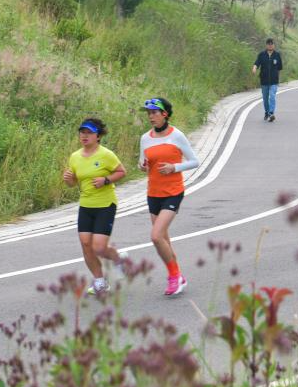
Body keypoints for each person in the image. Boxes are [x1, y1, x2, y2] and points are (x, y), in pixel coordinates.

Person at [140, 97, 199, 297]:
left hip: (173, 191)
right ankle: (178, 276)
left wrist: (175, 167)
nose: (151, 116)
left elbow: (194, 161)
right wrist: (143, 166)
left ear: (165, 114)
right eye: (148, 113)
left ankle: (174, 276)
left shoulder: (177, 136)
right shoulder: (145, 138)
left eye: (154, 112)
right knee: (163, 239)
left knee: (156, 236)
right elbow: (144, 162)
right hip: (153, 193)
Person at [63, 118, 128, 296]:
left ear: (98, 136)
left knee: (99, 247)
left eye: (89, 132)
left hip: (105, 204)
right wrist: (69, 180)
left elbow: (122, 171)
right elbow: (75, 182)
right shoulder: (75, 157)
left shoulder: (106, 155)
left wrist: (105, 180)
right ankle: (100, 281)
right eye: (82, 132)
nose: (84, 136)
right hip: (86, 205)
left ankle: (118, 259)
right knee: (86, 244)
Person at [252, 38, 283, 122]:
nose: (270, 45)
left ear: (274, 45)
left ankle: (271, 113)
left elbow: (279, 68)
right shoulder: (262, 55)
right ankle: (267, 112)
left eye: (271, 44)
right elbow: (257, 63)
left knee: (272, 96)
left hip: (274, 81)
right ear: (266, 45)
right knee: (265, 98)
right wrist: (254, 68)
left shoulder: (277, 55)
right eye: (268, 44)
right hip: (264, 81)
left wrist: (278, 79)